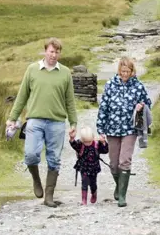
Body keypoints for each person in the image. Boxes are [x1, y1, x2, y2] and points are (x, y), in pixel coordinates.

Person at [6, 37, 77, 207]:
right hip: (35, 120)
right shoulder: (32, 70)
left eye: (57, 52)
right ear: (45, 51)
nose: (53, 55)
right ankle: (36, 181)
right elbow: (22, 96)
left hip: (57, 123)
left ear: (60, 54)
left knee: (54, 159)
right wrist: (12, 118)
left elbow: (70, 101)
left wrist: (73, 123)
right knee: (30, 155)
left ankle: (49, 196)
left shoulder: (65, 72)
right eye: (51, 51)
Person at [97, 56, 151, 208]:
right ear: (119, 71)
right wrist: (100, 129)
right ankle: (118, 185)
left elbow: (147, 102)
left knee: (124, 161)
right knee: (114, 164)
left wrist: (141, 106)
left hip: (130, 129)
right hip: (112, 129)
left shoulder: (138, 86)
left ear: (132, 71)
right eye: (122, 71)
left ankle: (122, 196)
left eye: (128, 71)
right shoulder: (110, 85)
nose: (125, 74)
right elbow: (104, 107)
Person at [69, 126, 109, 205]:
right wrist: (71, 138)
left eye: (89, 142)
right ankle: (84, 200)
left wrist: (104, 142)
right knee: (84, 182)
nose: (87, 144)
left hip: (94, 167)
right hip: (84, 167)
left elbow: (105, 150)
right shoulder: (80, 144)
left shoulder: (97, 144)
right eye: (85, 142)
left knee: (93, 183)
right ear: (82, 140)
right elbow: (73, 145)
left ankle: (94, 193)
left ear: (93, 138)